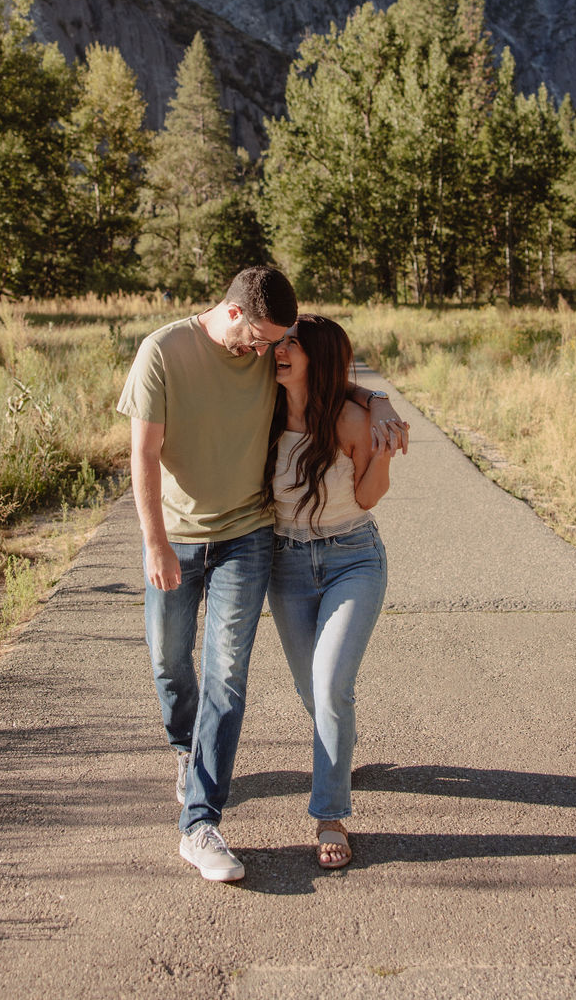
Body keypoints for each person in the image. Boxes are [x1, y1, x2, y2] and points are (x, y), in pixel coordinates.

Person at [116, 267, 407, 883]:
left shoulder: (269, 354)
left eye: (280, 341)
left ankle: (204, 822)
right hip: (185, 537)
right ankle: (185, 751)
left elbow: (335, 377)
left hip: (252, 539)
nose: (271, 350)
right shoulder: (163, 353)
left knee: (230, 674)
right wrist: (154, 543)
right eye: (265, 338)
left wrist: (379, 401)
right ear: (234, 313)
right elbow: (141, 455)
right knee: (170, 662)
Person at [266, 315, 393, 870]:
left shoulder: (349, 418)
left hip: (352, 558)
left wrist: (383, 446)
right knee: (313, 693)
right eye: (282, 341)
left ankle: (330, 813)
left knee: (330, 685)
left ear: (319, 359)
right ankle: (340, 750)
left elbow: (367, 498)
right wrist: (381, 395)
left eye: (294, 344)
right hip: (285, 565)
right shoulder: (262, 410)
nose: (281, 350)